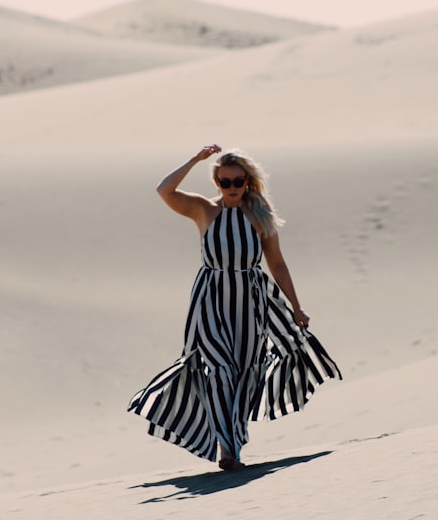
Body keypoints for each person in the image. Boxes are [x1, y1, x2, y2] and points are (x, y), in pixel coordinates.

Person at [128, 145, 342, 472]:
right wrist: (195, 160)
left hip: (251, 302)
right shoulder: (203, 210)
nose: (231, 188)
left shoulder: (260, 214)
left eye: (237, 181)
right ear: (216, 182)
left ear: (247, 182)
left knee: (244, 373)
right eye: (225, 182)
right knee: (218, 370)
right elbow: (164, 190)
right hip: (210, 300)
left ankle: (233, 443)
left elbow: (278, 263)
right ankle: (226, 451)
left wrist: (296, 306)